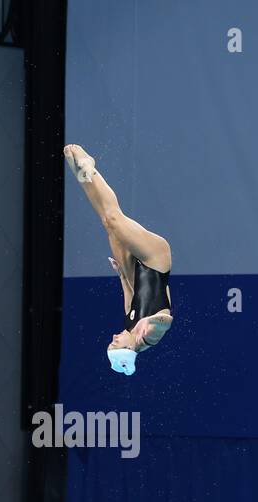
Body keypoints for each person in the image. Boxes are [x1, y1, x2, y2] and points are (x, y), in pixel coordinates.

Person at [64, 143, 173, 376]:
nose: (114, 336)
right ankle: (90, 167)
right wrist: (153, 321)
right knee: (114, 218)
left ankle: (83, 174)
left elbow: (133, 296)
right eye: (116, 343)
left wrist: (121, 274)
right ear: (129, 349)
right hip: (155, 259)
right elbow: (167, 320)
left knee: (107, 222)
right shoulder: (147, 336)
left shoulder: (129, 327)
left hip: (135, 269)